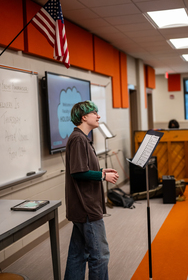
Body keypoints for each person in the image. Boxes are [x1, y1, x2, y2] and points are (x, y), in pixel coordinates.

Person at [64, 100, 119, 280]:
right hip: (87, 207)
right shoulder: (79, 139)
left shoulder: (80, 138)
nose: (99, 115)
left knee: (78, 255)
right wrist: (102, 177)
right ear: (84, 117)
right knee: (100, 255)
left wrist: (101, 171)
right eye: (95, 112)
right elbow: (78, 172)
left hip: (82, 206)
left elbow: (83, 168)